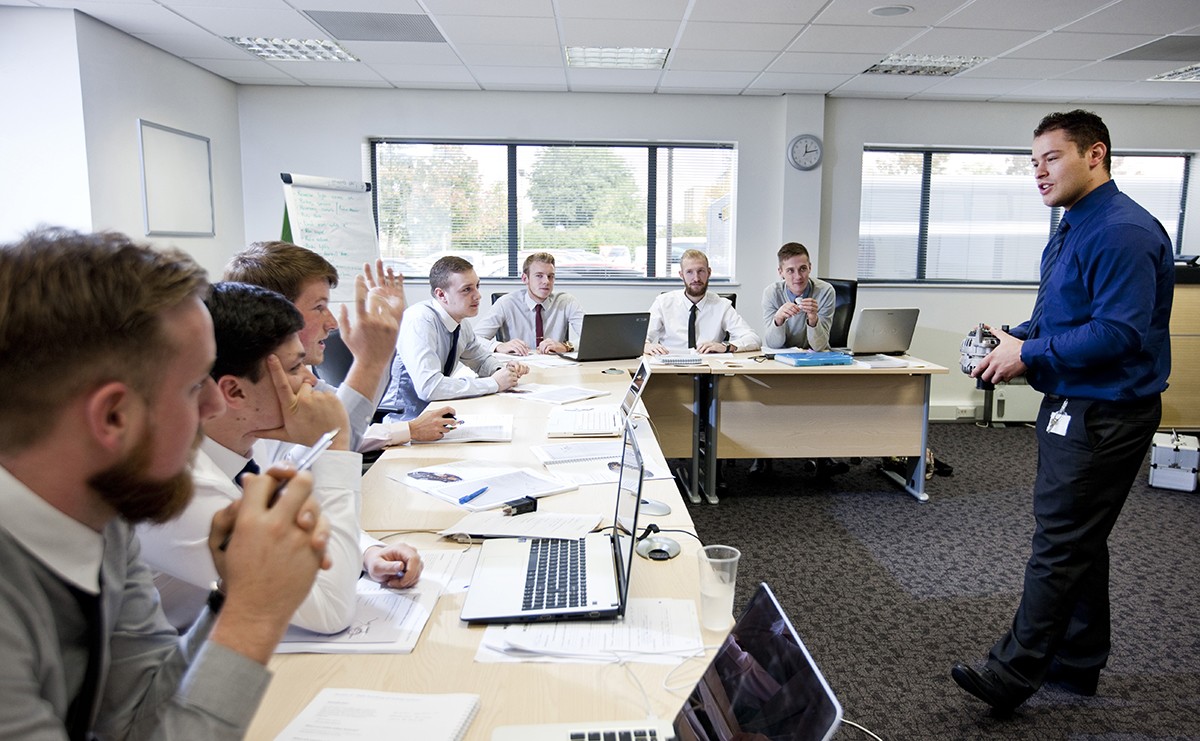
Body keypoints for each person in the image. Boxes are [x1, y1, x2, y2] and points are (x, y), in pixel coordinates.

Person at [0, 227, 331, 739]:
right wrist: (253, 613)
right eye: (195, 386)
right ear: (112, 416)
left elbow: (138, 720)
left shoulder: (101, 519)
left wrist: (232, 596)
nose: (216, 408)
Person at [951, 110, 1174, 712]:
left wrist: (1032, 352)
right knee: (1080, 540)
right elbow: (1064, 317)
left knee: (1060, 543)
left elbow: (1119, 332)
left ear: (1095, 154)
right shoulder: (1074, 225)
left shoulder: (1122, 230)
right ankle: (1077, 662)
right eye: (1033, 163)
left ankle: (1012, 673)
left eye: (1051, 158)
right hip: (1074, 403)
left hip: (1106, 413)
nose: (1039, 173)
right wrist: (1015, 340)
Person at [138, 282, 423, 634]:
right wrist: (336, 447)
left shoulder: (250, 436)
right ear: (235, 391)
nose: (310, 381)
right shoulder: (181, 487)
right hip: (179, 662)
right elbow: (330, 613)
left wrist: (367, 551)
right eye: (294, 369)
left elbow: (294, 520)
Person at [224, 241, 455, 450]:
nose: (332, 323)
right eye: (319, 307)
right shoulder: (256, 395)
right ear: (276, 314)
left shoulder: (300, 378)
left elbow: (347, 419)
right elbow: (333, 441)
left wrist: (382, 349)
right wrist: (370, 362)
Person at [380, 256, 529, 419]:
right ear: (441, 294)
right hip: (406, 421)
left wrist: (502, 371)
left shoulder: (460, 321)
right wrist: (493, 383)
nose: (478, 295)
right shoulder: (420, 321)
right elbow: (430, 387)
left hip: (435, 415)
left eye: (477, 286)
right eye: (467, 289)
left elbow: (481, 360)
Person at [645, 249, 761, 355]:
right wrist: (646, 346)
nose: (696, 278)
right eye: (689, 272)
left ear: (709, 273)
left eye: (701, 271)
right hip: (669, 368)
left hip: (709, 370)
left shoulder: (722, 305)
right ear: (681, 275)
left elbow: (753, 339)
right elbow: (639, 339)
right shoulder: (663, 302)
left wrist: (726, 346)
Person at [474, 251, 584, 355]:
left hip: (556, 368)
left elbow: (593, 338)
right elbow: (474, 339)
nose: (546, 281)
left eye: (550, 276)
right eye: (539, 276)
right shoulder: (506, 303)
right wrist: (499, 346)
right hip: (518, 367)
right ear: (525, 278)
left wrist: (567, 346)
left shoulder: (566, 302)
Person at [761, 242, 835, 351]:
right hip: (782, 359)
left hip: (815, 359)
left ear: (810, 267)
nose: (798, 276)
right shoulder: (772, 293)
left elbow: (819, 346)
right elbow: (773, 345)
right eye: (790, 270)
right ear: (780, 272)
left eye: (803, 269)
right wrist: (778, 319)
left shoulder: (825, 291)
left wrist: (813, 320)